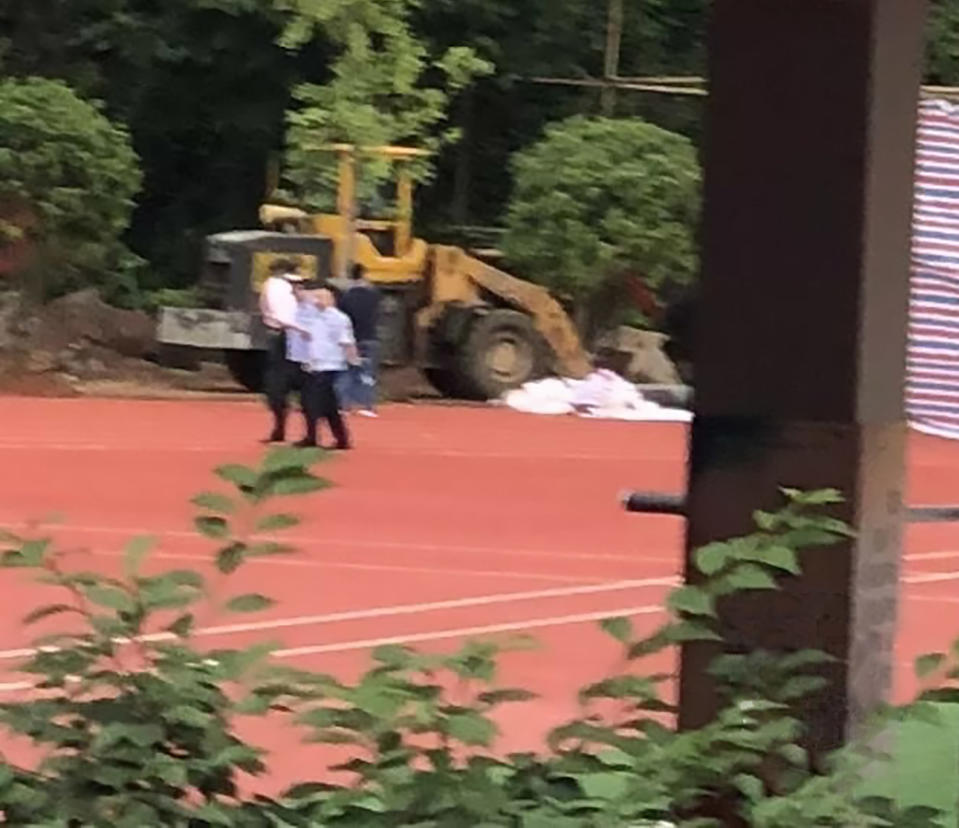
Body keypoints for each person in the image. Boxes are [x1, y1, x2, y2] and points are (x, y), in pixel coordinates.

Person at [296, 287, 356, 449]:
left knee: (313, 402)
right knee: (328, 405)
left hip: (329, 364)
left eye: (321, 297)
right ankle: (341, 438)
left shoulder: (339, 318)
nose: (317, 301)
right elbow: (301, 300)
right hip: (313, 364)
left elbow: (346, 341)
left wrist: (353, 360)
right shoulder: (312, 316)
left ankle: (312, 437)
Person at [259, 258, 310, 443]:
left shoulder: (274, 285)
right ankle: (309, 431)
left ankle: (280, 427)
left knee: (277, 383)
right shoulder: (298, 286)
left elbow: (280, 315)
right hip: (298, 336)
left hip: (284, 334)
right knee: (307, 382)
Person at [337, 263, 381, 417]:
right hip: (370, 336)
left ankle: (344, 406)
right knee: (367, 373)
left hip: (351, 338)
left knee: (346, 373)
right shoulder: (373, 295)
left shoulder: (346, 296)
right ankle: (367, 406)